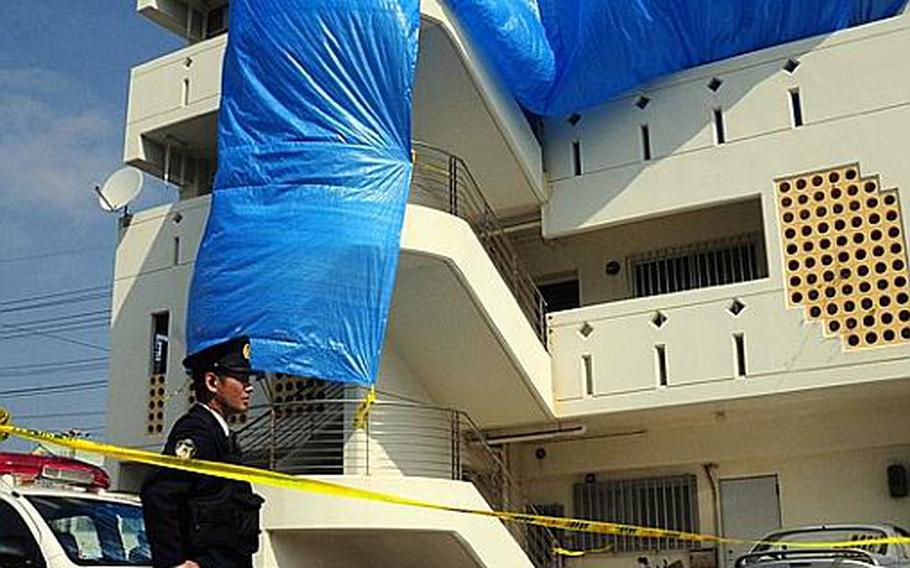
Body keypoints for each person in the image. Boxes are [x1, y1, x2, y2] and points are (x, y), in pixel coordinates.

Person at [141, 337, 264, 568]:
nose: (249, 387)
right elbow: (158, 493)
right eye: (241, 378)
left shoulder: (222, 434)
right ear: (212, 382)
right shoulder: (197, 430)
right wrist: (173, 562)